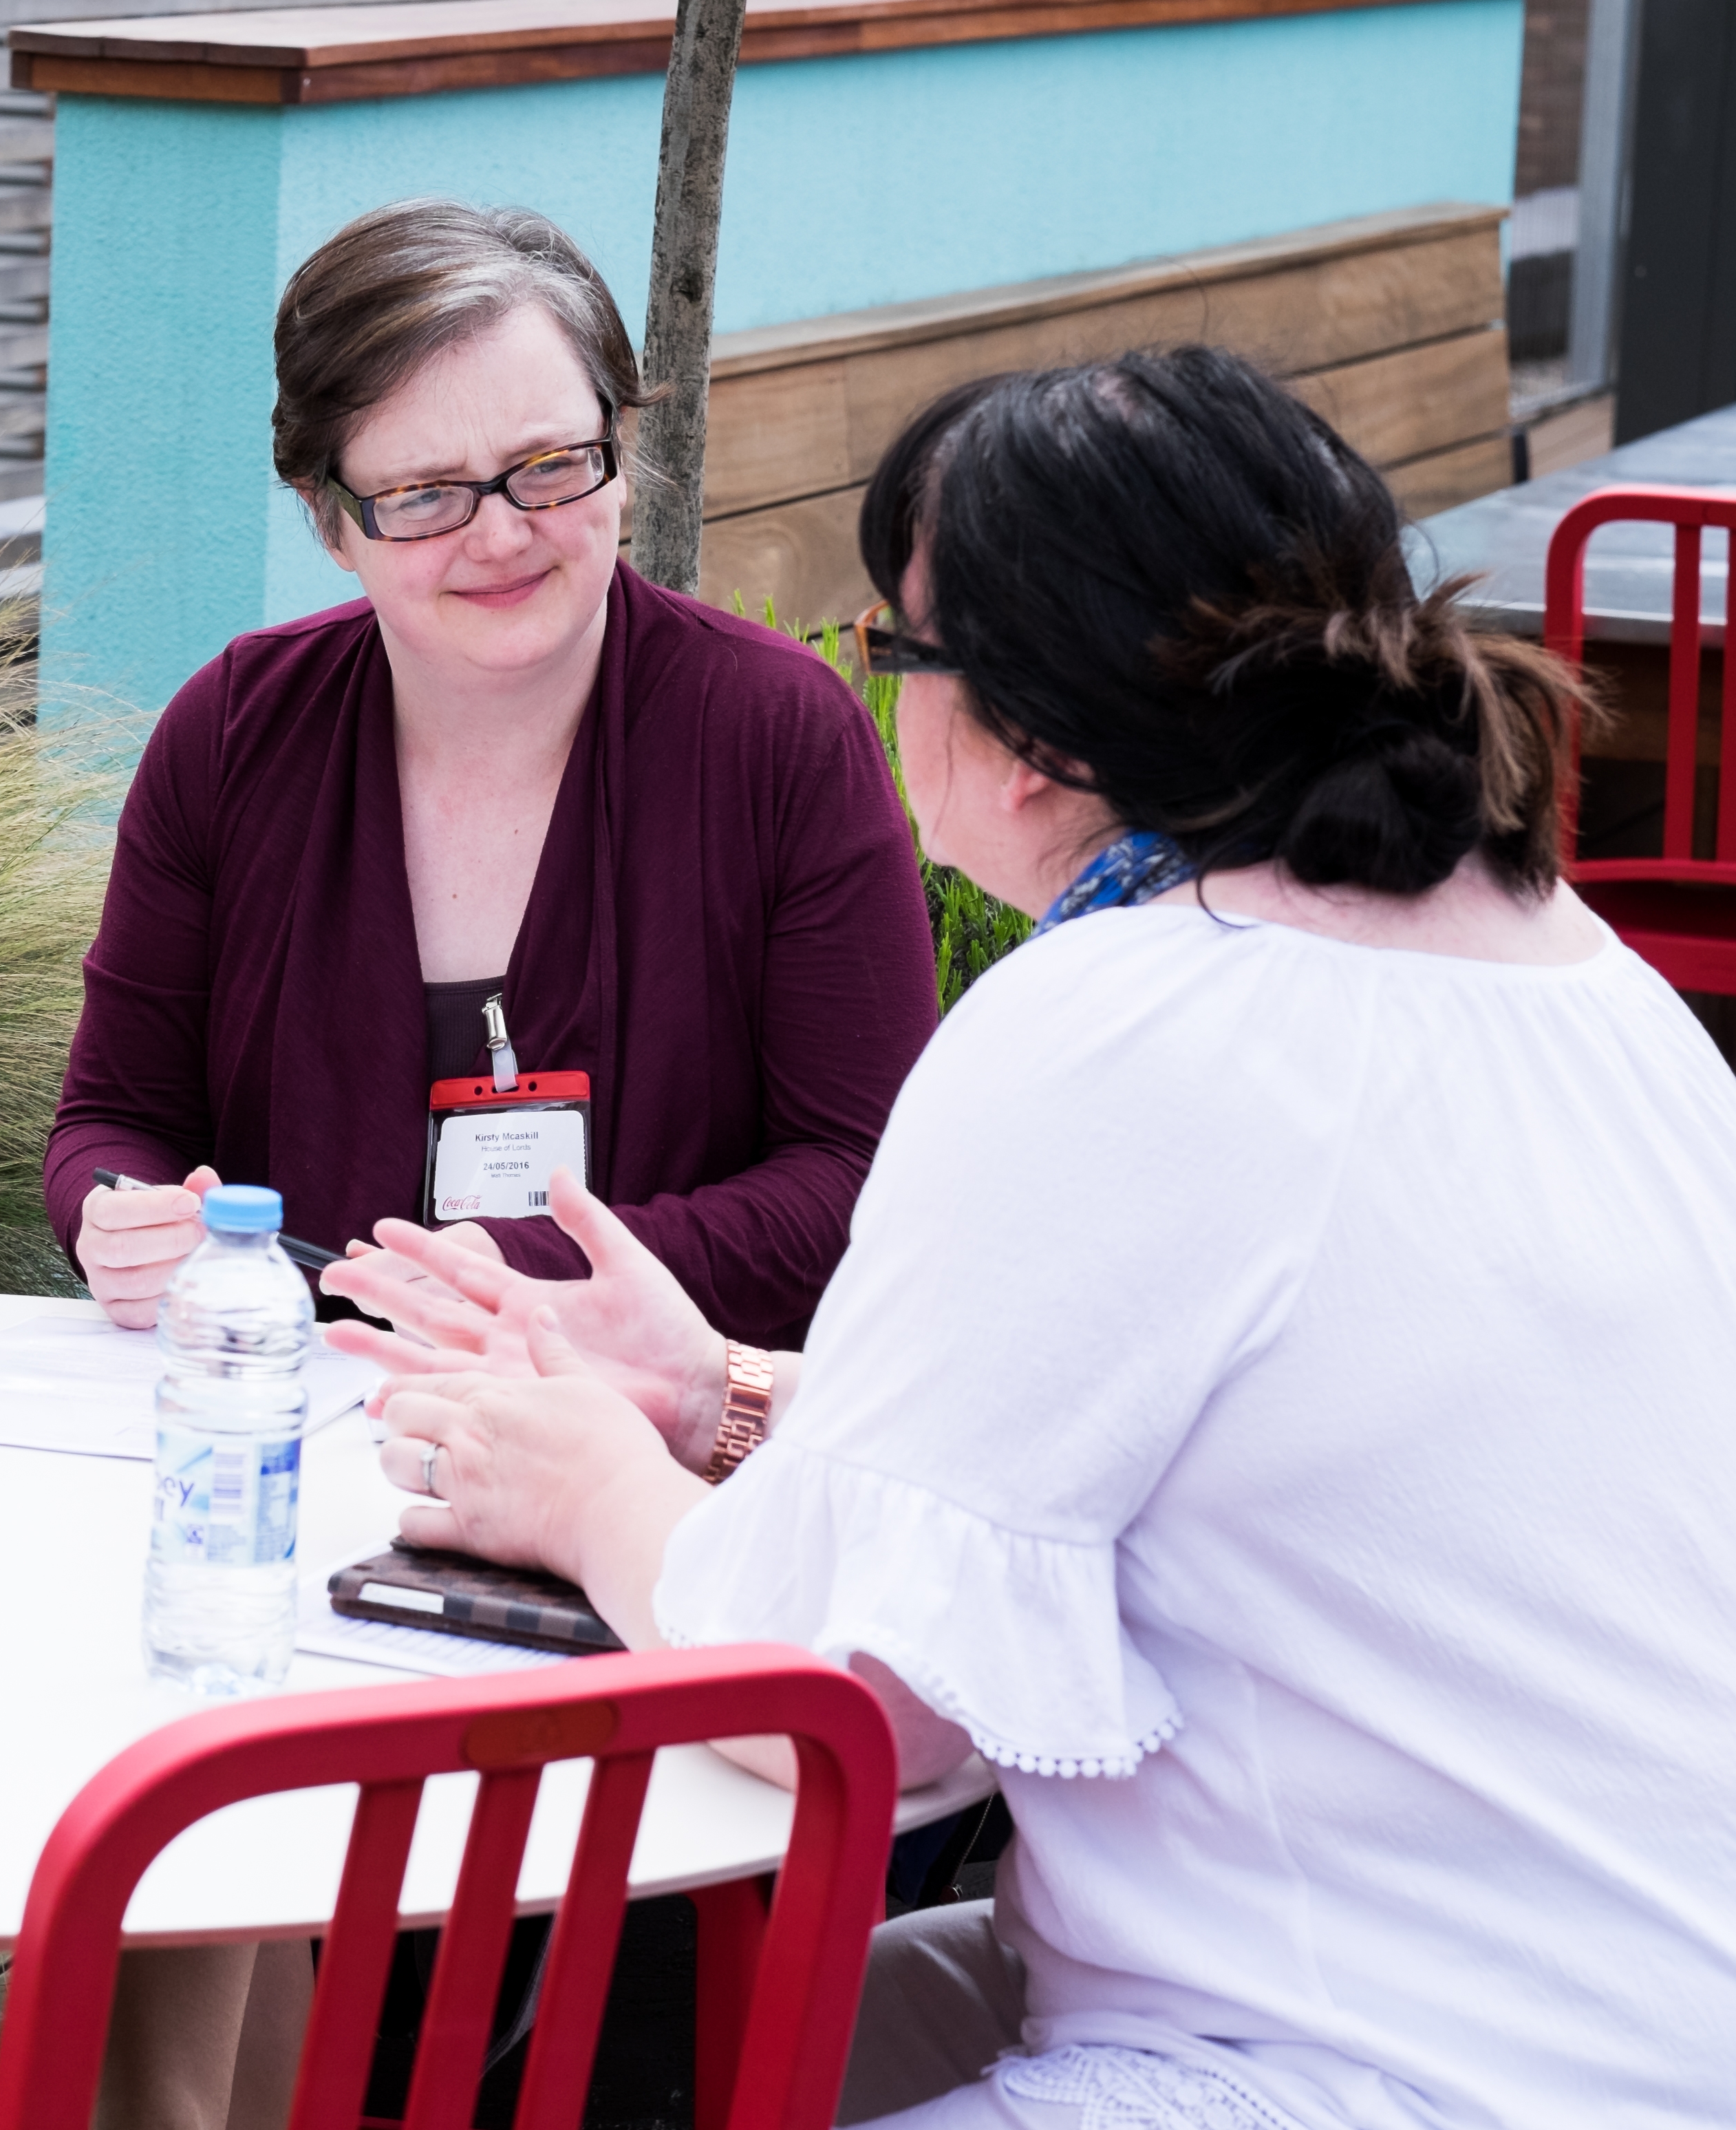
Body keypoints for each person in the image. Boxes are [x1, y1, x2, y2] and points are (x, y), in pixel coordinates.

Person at [327, 346, 1736, 2129]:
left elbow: (863, 1723)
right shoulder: (1573, 978)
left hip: (1359, 2064)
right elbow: (1235, 1455)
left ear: (1030, 724)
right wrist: (726, 1392)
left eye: (896, 653)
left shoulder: (1136, 1016)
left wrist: (587, 1490)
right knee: (746, 2032)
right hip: (1613, 2019)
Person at [44, 198, 937, 1355]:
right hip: (283, 1420)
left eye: (549, 466)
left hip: (648, 1458)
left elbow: (857, 1179)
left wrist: (520, 1268)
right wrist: (116, 1216)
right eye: (422, 493)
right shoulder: (230, 733)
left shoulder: (776, 736)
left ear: (621, 452)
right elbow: (116, 1121)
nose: (502, 534)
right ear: (330, 522)